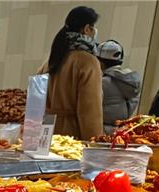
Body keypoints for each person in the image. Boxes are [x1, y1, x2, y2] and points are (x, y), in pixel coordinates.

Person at [44, 6, 103, 140]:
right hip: (71, 139)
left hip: (46, 136)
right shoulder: (87, 62)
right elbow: (90, 109)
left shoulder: (50, 61)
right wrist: (94, 142)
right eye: (93, 28)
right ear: (87, 29)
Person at [97, 40, 141, 133]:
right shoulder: (131, 82)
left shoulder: (102, 83)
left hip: (102, 132)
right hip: (123, 132)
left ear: (101, 63)